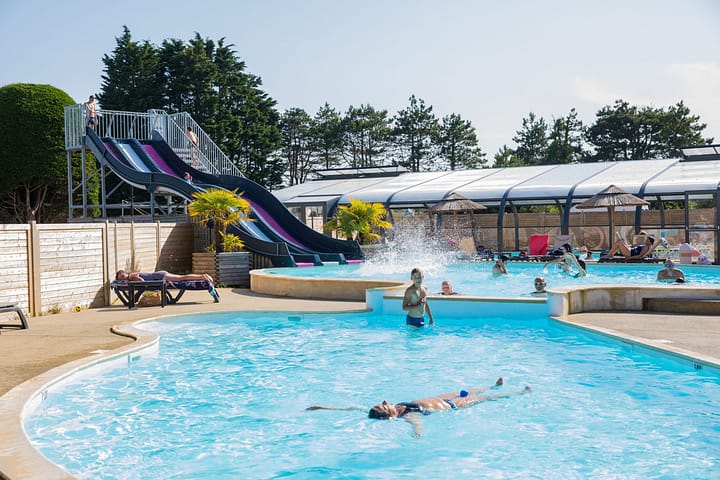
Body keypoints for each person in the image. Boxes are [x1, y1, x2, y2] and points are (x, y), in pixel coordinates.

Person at [306, 378, 531, 437]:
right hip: (451, 406)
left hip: (440, 397)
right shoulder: (407, 415)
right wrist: (417, 433)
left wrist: (323, 407)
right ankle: (519, 393)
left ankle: (493, 385)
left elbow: (352, 408)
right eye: (384, 405)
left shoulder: (398, 409)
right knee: (485, 399)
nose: (384, 401)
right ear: (389, 413)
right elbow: (417, 424)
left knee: (470, 390)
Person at [115, 269, 220, 302]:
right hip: (159, 276)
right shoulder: (130, 277)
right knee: (182, 278)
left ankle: (203, 276)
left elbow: (142, 281)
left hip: (161, 276)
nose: (123, 278)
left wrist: (134, 280)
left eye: (122, 275)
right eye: (120, 278)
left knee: (182, 278)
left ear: (125, 273)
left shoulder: (131, 276)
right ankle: (202, 276)